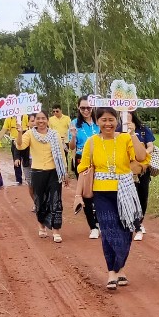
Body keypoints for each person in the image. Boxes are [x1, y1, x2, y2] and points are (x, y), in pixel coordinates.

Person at [77, 105, 148, 290]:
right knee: (109, 232)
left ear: (117, 121)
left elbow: (141, 157)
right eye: (103, 120)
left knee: (126, 230)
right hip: (101, 193)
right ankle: (111, 272)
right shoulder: (91, 142)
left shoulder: (125, 138)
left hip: (125, 190)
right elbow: (83, 168)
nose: (108, 123)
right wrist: (78, 194)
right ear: (97, 121)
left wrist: (132, 134)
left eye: (111, 119)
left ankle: (120, 269)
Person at [19, 110, 68, 243]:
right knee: (40, 200)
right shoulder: (29, 133)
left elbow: (62, 154)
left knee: (56, 200)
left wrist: (65, 171)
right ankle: (41, 226)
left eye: (43, 118)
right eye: (38, 119)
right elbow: (20, 145)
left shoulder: (54, 134)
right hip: (37, 172)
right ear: (34, 121)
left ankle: (56, 230)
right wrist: (19, 132)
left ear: (48, 120)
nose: (41, 121)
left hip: (54, 171)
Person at [70, 95, 101, 239]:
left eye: (88, 107)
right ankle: (93, 226)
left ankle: (100, 221)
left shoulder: (99, 122)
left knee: (100, 193)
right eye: (83, 108)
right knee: (87, 194)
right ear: (78, 108)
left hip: (100, 162)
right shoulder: (75, 123)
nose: (86, 110)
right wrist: (74, 136)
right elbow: (71, 147)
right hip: (82, 161)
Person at [124, 108, 156, 241]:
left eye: (128, 113)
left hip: (143, 167)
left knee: (143, 196)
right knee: (131, 196)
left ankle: (140, 220)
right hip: (127, 169)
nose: (126, 116)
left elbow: (151, 146)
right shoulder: (118, 130)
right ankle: (134, 223)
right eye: (122, 114)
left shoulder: (142, 129)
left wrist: (142, 154)